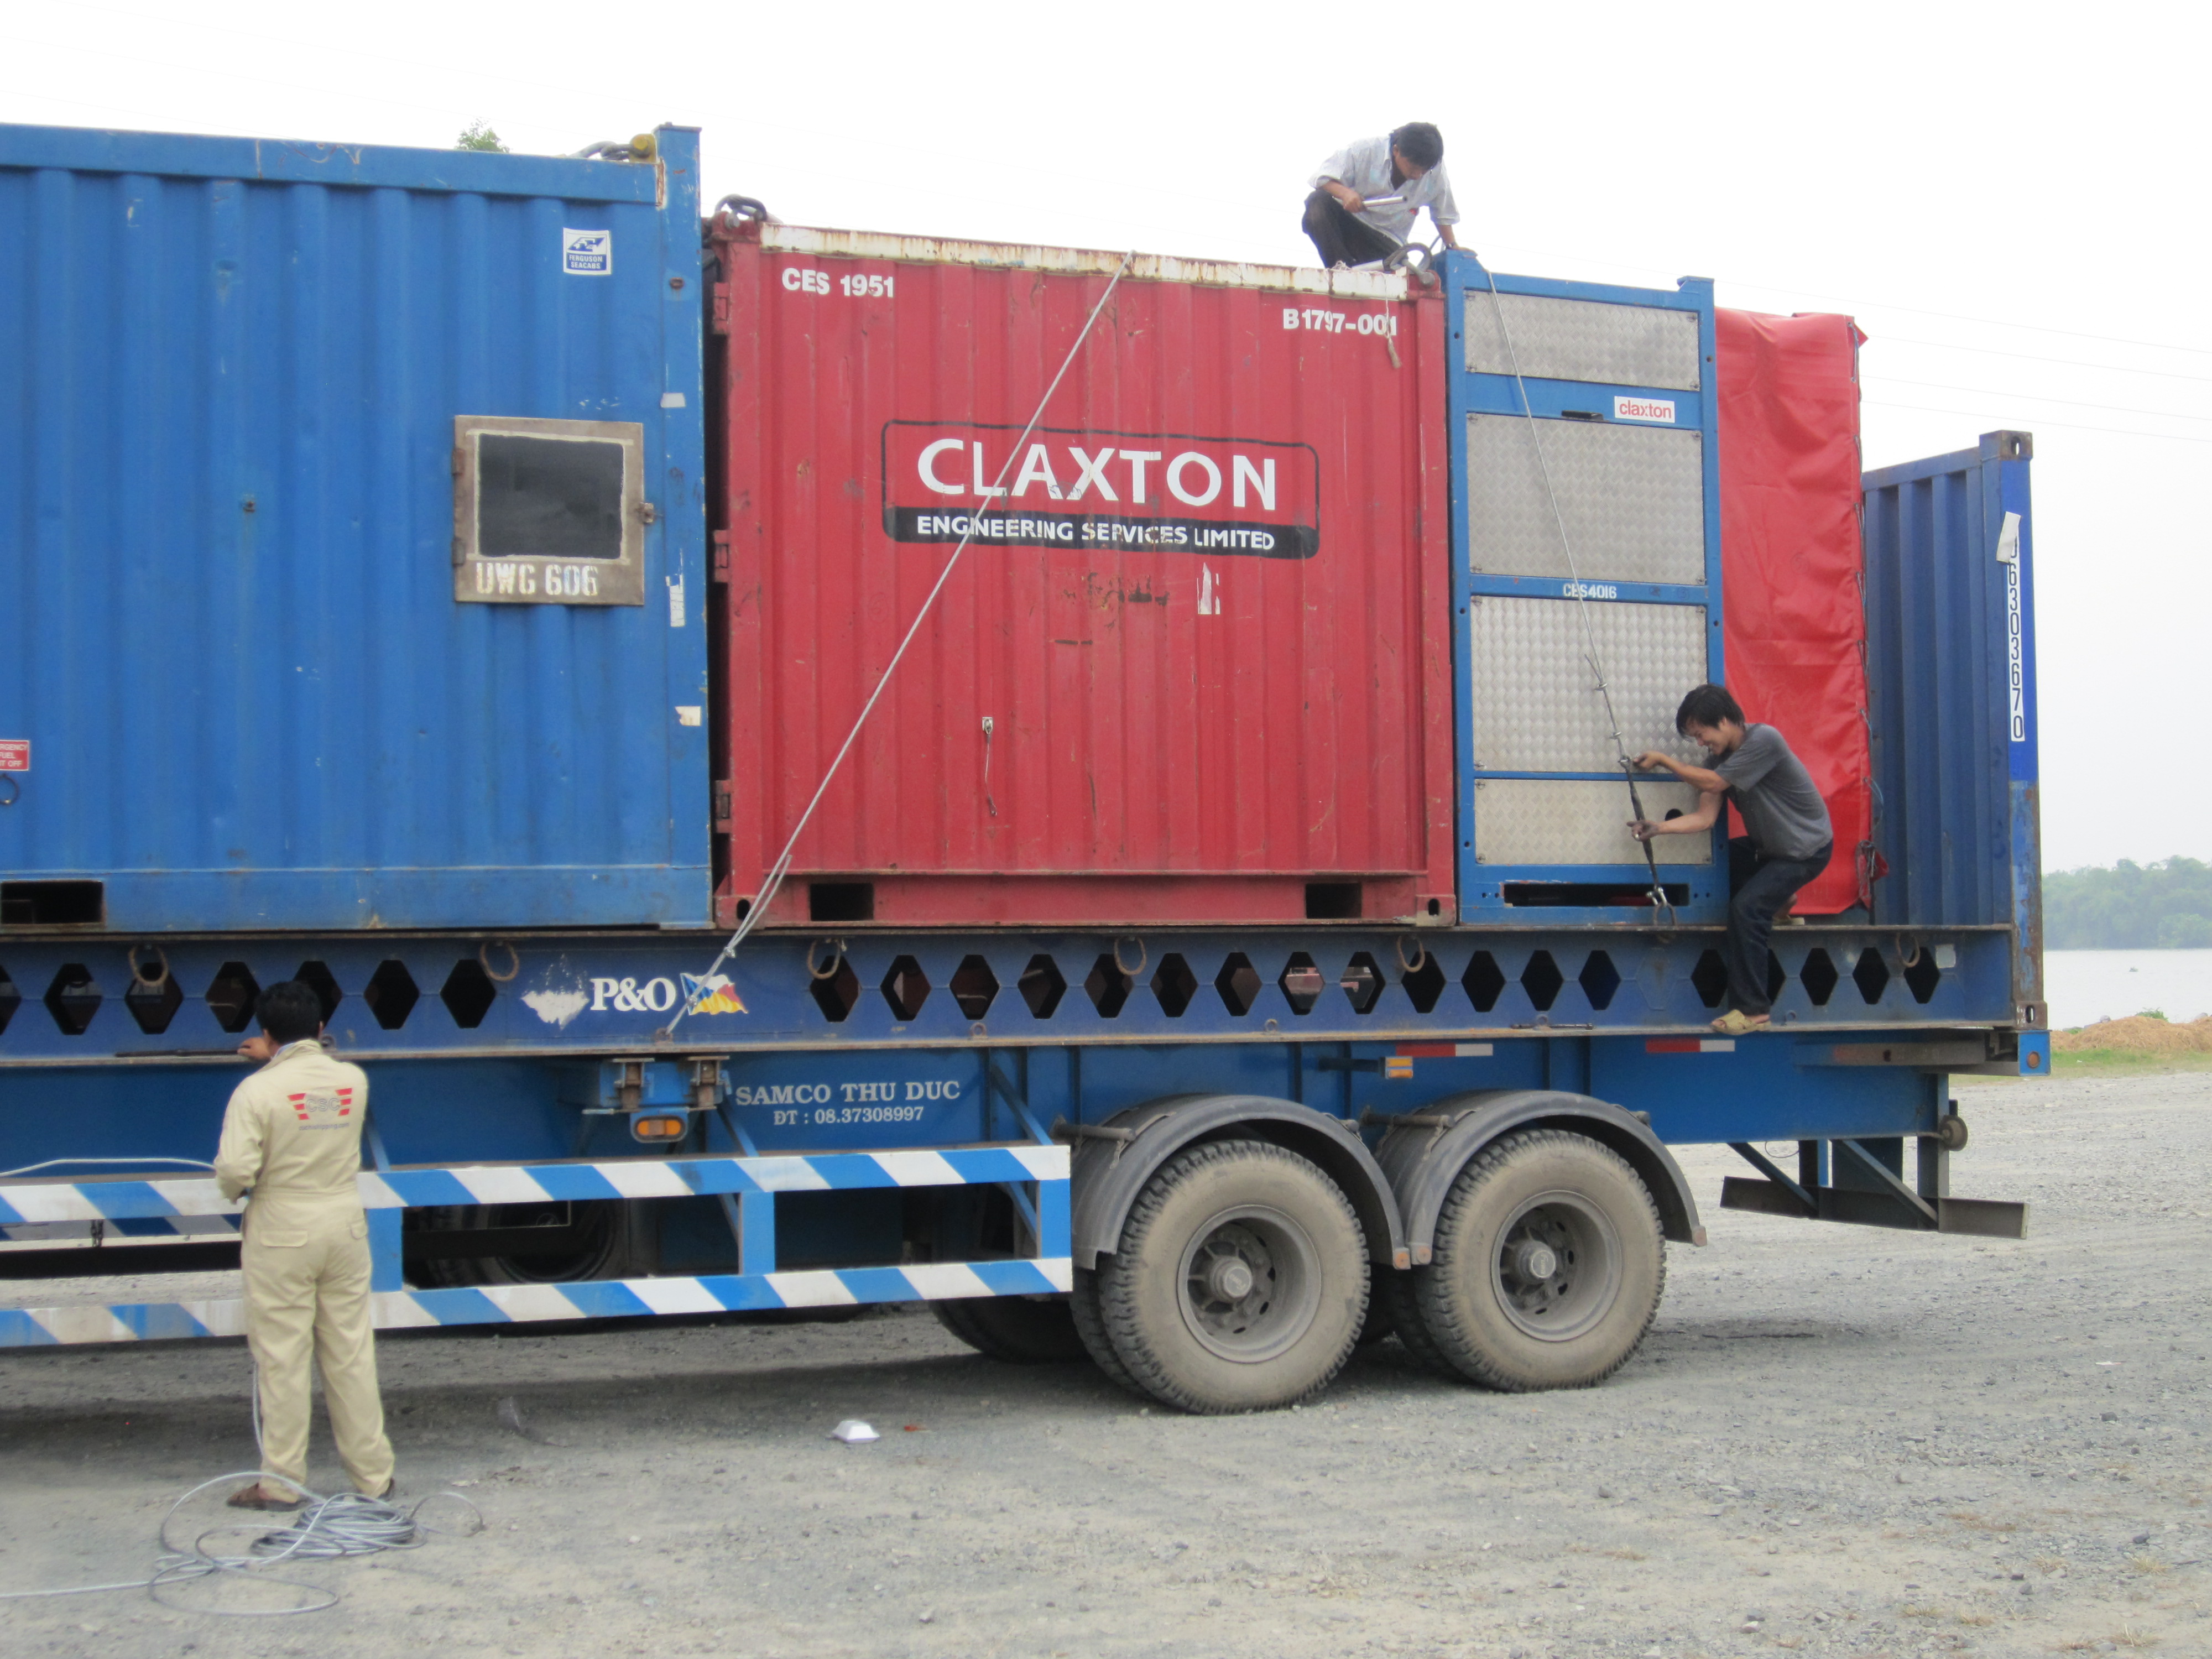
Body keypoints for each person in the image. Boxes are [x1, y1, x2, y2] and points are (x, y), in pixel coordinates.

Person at [214, 981, 395, 1510]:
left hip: (283, 1229)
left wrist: (270, 1063)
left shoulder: (256, 1092)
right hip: (344, 1223)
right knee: (350, 1354)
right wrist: (280, 1056)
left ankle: (281, 1485)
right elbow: (313, 1088)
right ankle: (374, 1479)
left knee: (284, 1360)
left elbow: (235, 1171)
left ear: (266, 1034)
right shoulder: (352, 1081)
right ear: (320, 1029)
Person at [1629, 685, 1833, 1036]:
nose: (1700, 743)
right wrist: (1658, 828)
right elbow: (1705, 819)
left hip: (1805, 850)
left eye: (1701, 734)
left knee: (1746, 909)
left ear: (1723, 720)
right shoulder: (1716, 762)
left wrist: (1664, 759)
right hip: (1769, 850)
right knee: (1720, 863)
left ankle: (1754, 1011)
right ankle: (1783, 902)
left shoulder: (1764, 740)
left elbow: (1713, 783)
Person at [1303, 123, 1460, 269]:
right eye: (1413, 168)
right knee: (1318, 202)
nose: (1417, 175)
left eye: (1424, 171)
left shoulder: (1436, 173)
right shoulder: (1364, 151)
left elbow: (1443, 213)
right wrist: (1346, 193)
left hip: (1388, 241)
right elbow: (1320, 178)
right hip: (1349, 225)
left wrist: (1452, 246)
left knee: (1400, 279)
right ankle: (1341, 269)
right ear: (1396, 151)